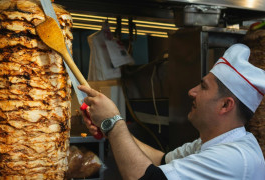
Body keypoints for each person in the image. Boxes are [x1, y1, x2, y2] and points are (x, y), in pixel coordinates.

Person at [77, 43, 265, 180]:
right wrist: (109, 127)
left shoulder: (234, 158)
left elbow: (146, 178)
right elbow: (161, 161)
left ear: (225, 105)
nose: (192, 92)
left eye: (203, 87)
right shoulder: (208, 144)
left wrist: (112, 123)